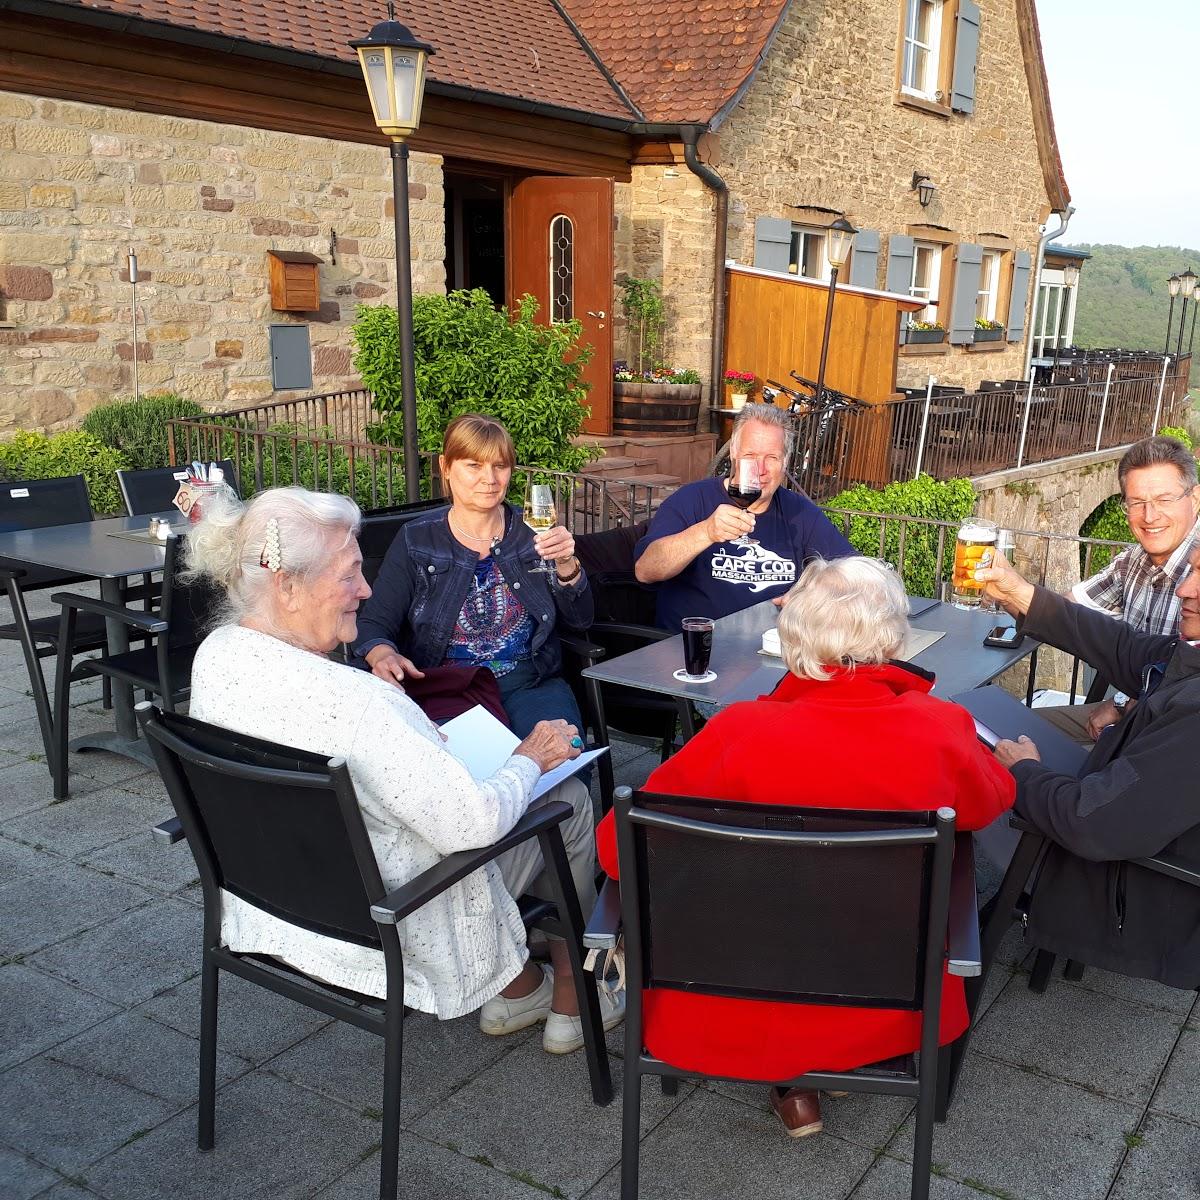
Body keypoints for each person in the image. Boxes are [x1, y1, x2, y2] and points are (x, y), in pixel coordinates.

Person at [185, 485, 622, 1052]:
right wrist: (530, 756)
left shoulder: (216, 657)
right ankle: (574, 986)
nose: (365, 592)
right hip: (394, 920)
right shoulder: (363, 703)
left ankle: (520, 985)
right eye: (348, 576)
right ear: (287, 586)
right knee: (567, 802)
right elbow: (475, 825)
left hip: (278, 902)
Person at [596, 557, 1014, 1138]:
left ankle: (796, 1081)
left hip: (733, 988)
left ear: (795, 640)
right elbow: (992, 801)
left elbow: (618, 850)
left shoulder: (737, 733)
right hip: (887, 997)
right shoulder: (939, 726)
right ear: (893, 636)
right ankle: (831, 1064)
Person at [977, 545, 1200, 990]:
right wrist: (1019, 594)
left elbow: (1091, 825)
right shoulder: (1191, 658)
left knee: (962, 791)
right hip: (1118, 815)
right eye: (1193, 571)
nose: (1184, 589)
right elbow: (1120, 643)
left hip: (1138, 895)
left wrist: (1025, 773)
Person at [353, 414, 592, 739]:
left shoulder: (532, 531)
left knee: (561, 767)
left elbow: (580, 622)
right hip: (450, 687)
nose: (490, 478)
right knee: (469, 774)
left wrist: (567, 564)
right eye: (474, 465)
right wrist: (382, 654)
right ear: (446, 467)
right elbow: (373, 624)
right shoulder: (418, 540)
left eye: (500, 465)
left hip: (530, 682)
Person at [634, 402, 856, 630]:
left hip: (770, 651)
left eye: (772, 457)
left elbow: (852, 572)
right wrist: (705, 532)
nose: (760, 469)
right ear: (734, 453)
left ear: (785, 461)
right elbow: (646, 570)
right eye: (751, 455)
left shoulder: (800, 512)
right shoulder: (692, 500)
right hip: (693, 650)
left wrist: (810, 594)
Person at [1043, 435, 1200, 743]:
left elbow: (1182, 689)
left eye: (1164, 500)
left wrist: (1121, 705)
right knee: (997, 730)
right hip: (1128, 718)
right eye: (1137, 502)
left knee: (1011, 753)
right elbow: (1070, 608)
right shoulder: (1135, 561)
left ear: (1195, 499)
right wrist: (1008, 591)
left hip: (1166, 743)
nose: (1150, 516)